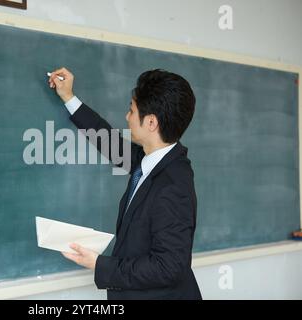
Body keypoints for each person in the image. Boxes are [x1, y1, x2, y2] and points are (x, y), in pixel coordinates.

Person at [48, 67, 202, 300]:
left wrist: (101, 265)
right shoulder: (152, 159)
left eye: (131, 110)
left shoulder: (173, 186)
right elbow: (110, 142)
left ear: (151, 122)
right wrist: (69, 97)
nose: (127, 117)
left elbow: (168, 267)